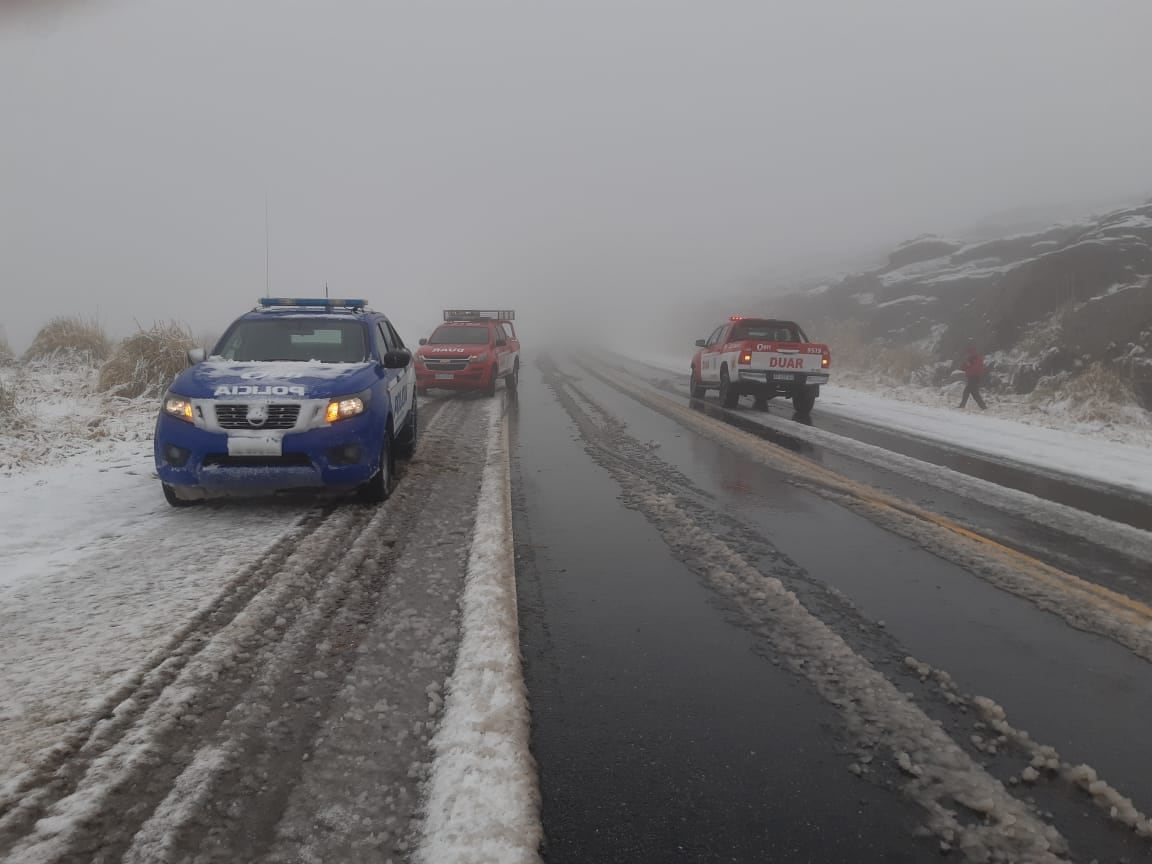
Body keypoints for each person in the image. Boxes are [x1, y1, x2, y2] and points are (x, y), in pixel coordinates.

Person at [959, 342, 986, 410]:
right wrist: (966, 364)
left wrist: (968, 365)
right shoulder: (973, 357)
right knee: (974, 393)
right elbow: (963, 368)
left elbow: (975, 367)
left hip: (974, 376)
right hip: (973, 376)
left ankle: (962, 405)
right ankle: (983, 406)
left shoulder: (976, 357)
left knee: (968, 391)